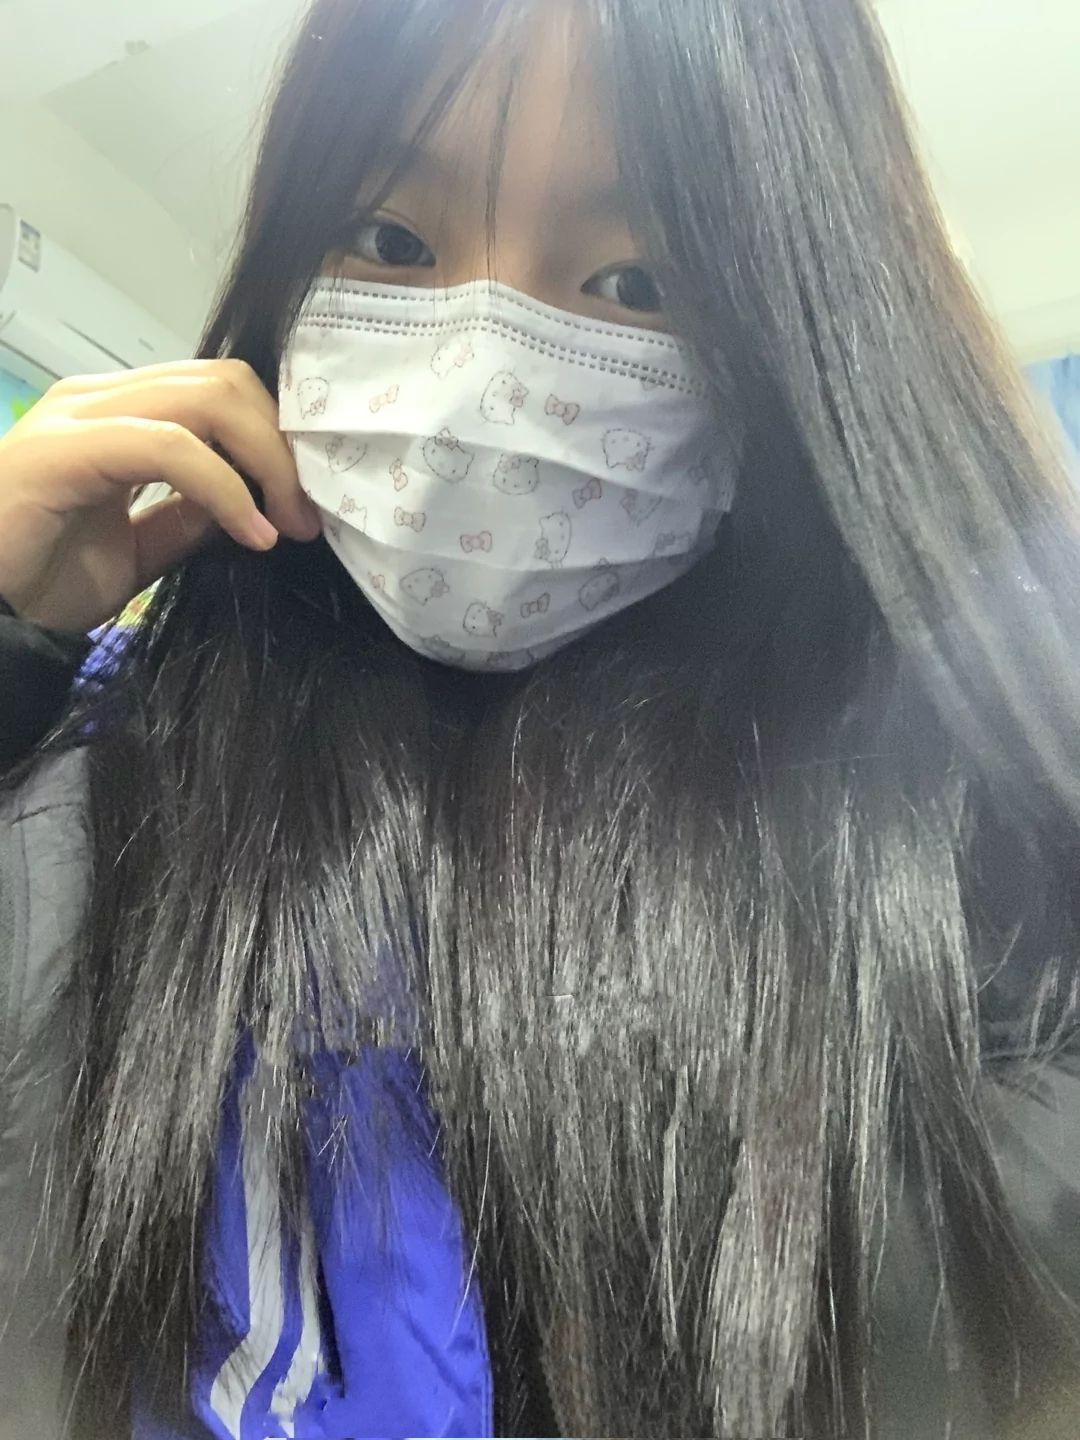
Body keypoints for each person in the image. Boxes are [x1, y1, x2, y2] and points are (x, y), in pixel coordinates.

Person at [2, 0, 1080, 1436]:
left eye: (634, 279)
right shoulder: (104, 774)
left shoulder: (926, 861)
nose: (478, 379)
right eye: (391, 240)